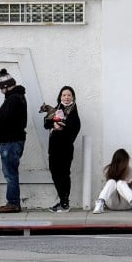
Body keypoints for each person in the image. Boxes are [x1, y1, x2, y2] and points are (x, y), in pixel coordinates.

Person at [0, 68, 27, 213]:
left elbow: (5, 118)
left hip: (10, 142)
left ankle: (13, 203)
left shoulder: (14, 99)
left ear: (5, 87)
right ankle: (13, 202)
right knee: (11, 172)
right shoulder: (16, 98)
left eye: (1, 88)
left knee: (10, 173)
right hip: (11, 142)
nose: (1, 91)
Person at [44, 85, 81, 213]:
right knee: (54, 173)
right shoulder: (56, 109)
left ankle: (65, 202)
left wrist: (61, 129)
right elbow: (46, 123)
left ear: (73, 97)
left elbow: (74, 129)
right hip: (53, 148)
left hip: (65, 149)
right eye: (64, 95)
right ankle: (62, 200)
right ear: (60, 96)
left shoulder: (73, 112)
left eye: (69, 95)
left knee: (64, 174)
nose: (66, 97)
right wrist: (53, 124)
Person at [92, 148, 132, 213]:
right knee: (111, 182)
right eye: (125, 161)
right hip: (112, 203)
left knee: (120, 183)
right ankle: (100, 204)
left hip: (127, 203)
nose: (126, 164)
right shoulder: (107, 170)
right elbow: (105, 190)